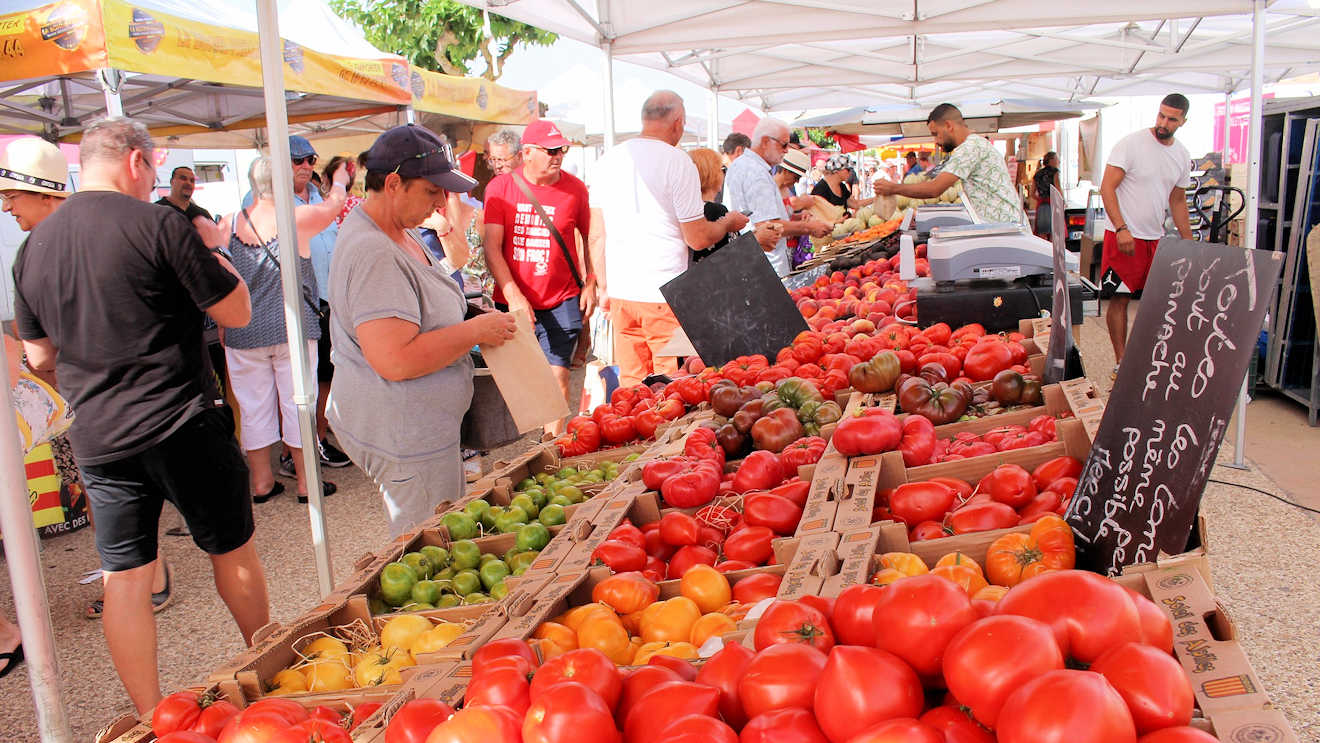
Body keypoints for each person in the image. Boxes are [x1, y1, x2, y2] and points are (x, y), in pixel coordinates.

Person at [13, 117, 268, 715]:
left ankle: (154, 715)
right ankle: (266, 671)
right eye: (154, 168)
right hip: (182, 418)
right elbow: (236, 312)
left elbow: (41, 356)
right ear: (135, 161)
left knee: (125, 577)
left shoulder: (33, 249)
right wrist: (221, 256)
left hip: (100, 435)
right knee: (232, 551)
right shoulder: (157, 222)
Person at [327, 124, 518, 537]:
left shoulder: (400, 229)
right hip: (405, 435)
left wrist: (466, 316)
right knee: (427, 547)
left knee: (439, 536)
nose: (442, 201)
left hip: (422, 429)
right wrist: (475, 330)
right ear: (394, 183)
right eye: (433, 190)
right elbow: (396, 359)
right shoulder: (373, 250)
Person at [587, 91, 748, 386]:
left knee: (632, 389)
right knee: (670, 389)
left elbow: (596, 235)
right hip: (664, 294)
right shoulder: (677, 161)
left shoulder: (606, 160)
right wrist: (727, 224)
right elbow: (698, 238)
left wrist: (604, 287)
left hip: (623, 293)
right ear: (679, 122)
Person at [220, 156, 348, 504]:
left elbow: (220, 278)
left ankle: (262, 482)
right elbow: (336, 204)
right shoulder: (297, 219)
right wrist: (339, 177)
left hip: (243, 330)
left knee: (253, 406)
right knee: (299, 402)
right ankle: (307, 482)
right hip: (290, 327)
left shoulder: (229, 222)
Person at [483, 119, 592, 436]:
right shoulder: (500, 189)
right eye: (551, 150)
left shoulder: (575, 189)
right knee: (521, 385)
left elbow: (589, 235)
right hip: (514, 298)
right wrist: (515, 295)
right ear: (527, 152)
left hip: (561, 297)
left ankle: (551, 450)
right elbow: (492, 247)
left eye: (562, 150)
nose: (558, 156)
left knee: (557, 376)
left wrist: (593, 279)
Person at [1099, 94, 1195, 369]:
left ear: (1183, 121)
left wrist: (1189, 242)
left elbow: (1177, 201)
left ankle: (1147, 360)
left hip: (1155, 238)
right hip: (1122, 235)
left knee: (1155, 301)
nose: (1164, 122)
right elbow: (1107, 187)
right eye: (1161, 115)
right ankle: (1121, 362)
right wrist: (1121, 228)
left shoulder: (1181, 154)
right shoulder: (1131, 144)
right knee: (1119, 298)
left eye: (1172, 119)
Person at [285, 136, 353, 474]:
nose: (305, 166)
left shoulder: (316, 197)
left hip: (326, 302)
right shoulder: (274, 202)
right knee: (299, 382)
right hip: (296, 306)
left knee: (324, 377)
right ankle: (299, 447)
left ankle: (318, 438)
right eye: (297, 160)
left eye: (310, 159)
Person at [875, 104, 1024, 225]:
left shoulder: (970, 148)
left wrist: (893, 188)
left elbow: (935, 189)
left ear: (948, 125)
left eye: (936, 134)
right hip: (1004, 228)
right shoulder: (974, 144)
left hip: (1006, 230)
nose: (936, 141)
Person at [724, 117, 831, 277]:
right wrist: (809, 227)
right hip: (765, 266)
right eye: (784, 144)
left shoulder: (745, 166)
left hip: (755, 261)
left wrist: (795, 219)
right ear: (766, 141)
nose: (787, 150)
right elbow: (769, 224)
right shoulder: (756, 173)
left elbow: (762, 217)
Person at [688, 147, 781, 263]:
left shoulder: (689, 210)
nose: (723, 174)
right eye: (721, 169)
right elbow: (730, 255)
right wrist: (758, 238)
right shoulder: (715, 211)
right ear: (712, 175)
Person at [1031, 151, 1062, 239]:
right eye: (1057, 159)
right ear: (1051, 160)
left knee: (1042, 232)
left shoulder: (1037, 174)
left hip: (1041, 205)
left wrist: (1040, 199)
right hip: (1053, 204)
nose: (1058, 161)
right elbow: (1058, 188)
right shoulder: (1055, 172)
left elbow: (1032, 194)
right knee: (1054, 232)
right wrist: (1063, 202)